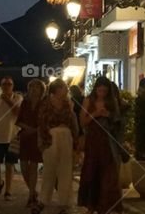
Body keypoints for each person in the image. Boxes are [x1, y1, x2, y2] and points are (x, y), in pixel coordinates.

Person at [78, 76, 124, 214]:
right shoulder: (88, 100)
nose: (102, 93)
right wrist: (96, 114)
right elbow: (83, 122)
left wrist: (109, 114)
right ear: (96, 89)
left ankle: (105, 206)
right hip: (93, 141)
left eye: (104, 91)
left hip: (108, 143)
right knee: (92, 173)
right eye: (100, 90)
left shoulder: (112, 102)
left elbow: (118, 121)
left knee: (108, 176)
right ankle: (91, 206)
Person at [35, 79, 78, 214]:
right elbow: (41, 123)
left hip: (66, 136)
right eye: (65, 88)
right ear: (57, 89)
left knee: (65, 170)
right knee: (49, 170)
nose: (66, 90)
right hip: (50, 137)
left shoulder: (68, 104)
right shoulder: (45, 103)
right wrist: (41, 141)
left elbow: (73, 121)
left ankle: (64, 203)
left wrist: (76, 140)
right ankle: (43, 200)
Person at [17, 80, 45, 206]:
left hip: (37, 138)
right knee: (23, 167)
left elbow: (46, 121)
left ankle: (31, 195)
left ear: (41, 90)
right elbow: (19, 121)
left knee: (33, 166)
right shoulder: (25, 103)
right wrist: (28, 129)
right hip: (25, 137)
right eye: (32, 87)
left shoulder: (44, 104)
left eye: (37, 87)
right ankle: (32, 192)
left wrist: (36, 130)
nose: (34, 89)